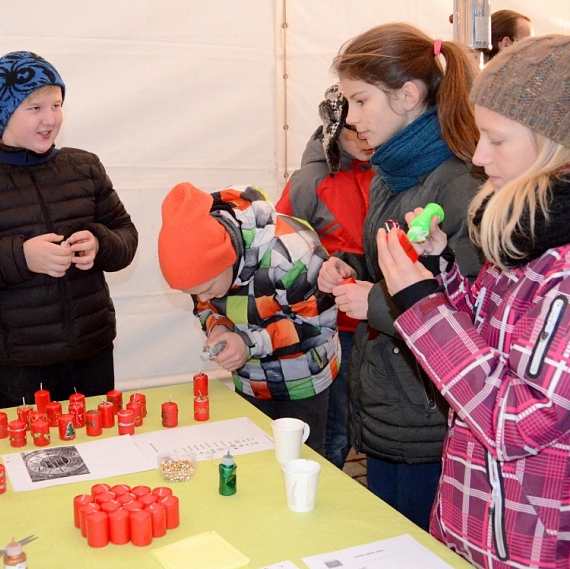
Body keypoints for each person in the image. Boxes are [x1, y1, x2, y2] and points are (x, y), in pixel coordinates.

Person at [377, 34, 570, 569]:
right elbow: (486, 342)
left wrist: (421, 307)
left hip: (534, 548)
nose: (480, 158)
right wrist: (439, 274)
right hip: (474, 521)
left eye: (496, 140)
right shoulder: (525, 235)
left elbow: (518, 422)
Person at [317, 23, 484, 530]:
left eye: (361, 101)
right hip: (391, 405)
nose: (352, 118)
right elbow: (397, 270)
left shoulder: (460, 183)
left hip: (432, 421)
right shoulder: (392, 175)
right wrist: (354, 271)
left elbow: (473, 311)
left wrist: (376, 305)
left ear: (409, 96)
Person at [0, 51, 138, 409]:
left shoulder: (84, 167)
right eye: (35, 108)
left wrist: (101, 243)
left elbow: (125, 234)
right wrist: (20, 257)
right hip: (16, 364)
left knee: (102, 454)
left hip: (92, 352)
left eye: (56, 105)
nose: (50, 118)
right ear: (5, 112)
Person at [159, 182, 339, 456]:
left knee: (299, 458)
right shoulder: (205, 268)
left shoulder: (294, 253)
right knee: (256, 457)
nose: (204, 296)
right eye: (194, 293)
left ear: (227, 259)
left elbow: (316, 326)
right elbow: (206, 307)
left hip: (302, 381)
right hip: (251, 380)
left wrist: (247, 344)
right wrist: (217, 325)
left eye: (207, 288)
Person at [276, 84, 373, 469]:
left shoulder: (386, 171)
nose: (364, 136)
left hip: (380, 320)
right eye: (354, 130)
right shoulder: (309, 182)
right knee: (334, 427)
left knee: (358, 423)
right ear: (335, 131)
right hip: (333, 327)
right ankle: (317, 482)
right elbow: (282, 249)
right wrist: (328, 265)